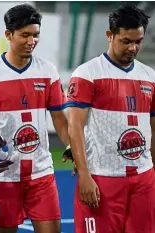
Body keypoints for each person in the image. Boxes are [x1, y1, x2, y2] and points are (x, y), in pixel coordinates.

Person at [0, 4, 70, 233]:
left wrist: (71, 145)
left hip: (41, 173)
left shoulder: (48, 71)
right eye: (25, 35)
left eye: (36, 35)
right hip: (3, 175)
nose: (32, 41)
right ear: (9, 35)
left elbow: (58, 116)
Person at [66, 4, 155, 233]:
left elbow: (153, 126)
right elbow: (75, 126)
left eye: (138, 41)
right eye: (126, 41)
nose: (133, 48)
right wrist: (85, 175)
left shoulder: (150, 76)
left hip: (143, 179)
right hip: (102, 177)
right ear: (110, 35)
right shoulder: (87, 74)